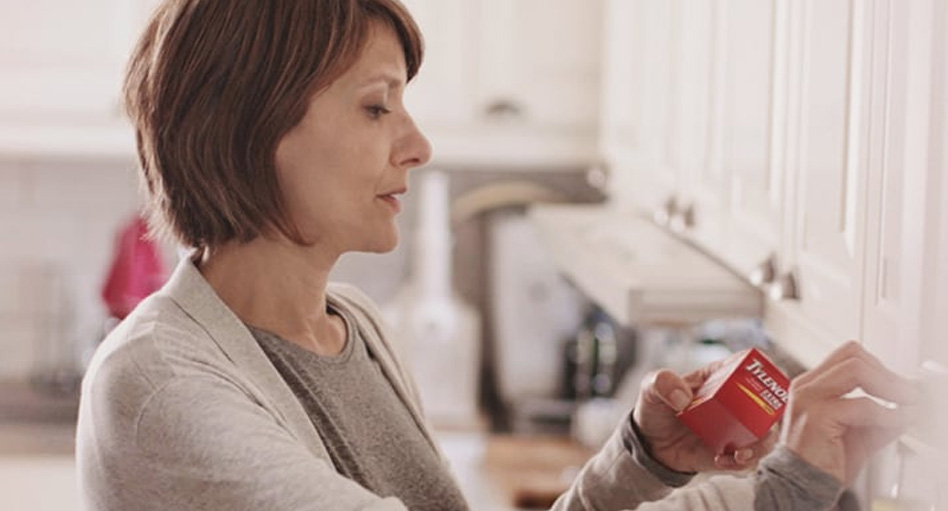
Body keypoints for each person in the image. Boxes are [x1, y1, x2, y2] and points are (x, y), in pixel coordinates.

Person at [76, 1, 919, 510]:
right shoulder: (159, 384)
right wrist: (790, 488)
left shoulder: (352, 327)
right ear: (251, 127)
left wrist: (642, 459)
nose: (418, 144)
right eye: (377, 109)